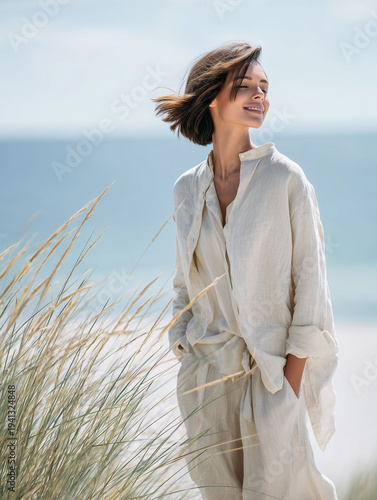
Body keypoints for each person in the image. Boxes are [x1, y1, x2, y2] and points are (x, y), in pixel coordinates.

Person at [152, 41, 339, 500]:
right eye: (245, 87)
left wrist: (288, 385)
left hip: (272, 379)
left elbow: (311, 287)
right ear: (213, 97)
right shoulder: (186, 189)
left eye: (263, 87)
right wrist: (186, 348)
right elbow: (184, 283)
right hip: (206, 380)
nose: (259, 96)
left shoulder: (286, 179)